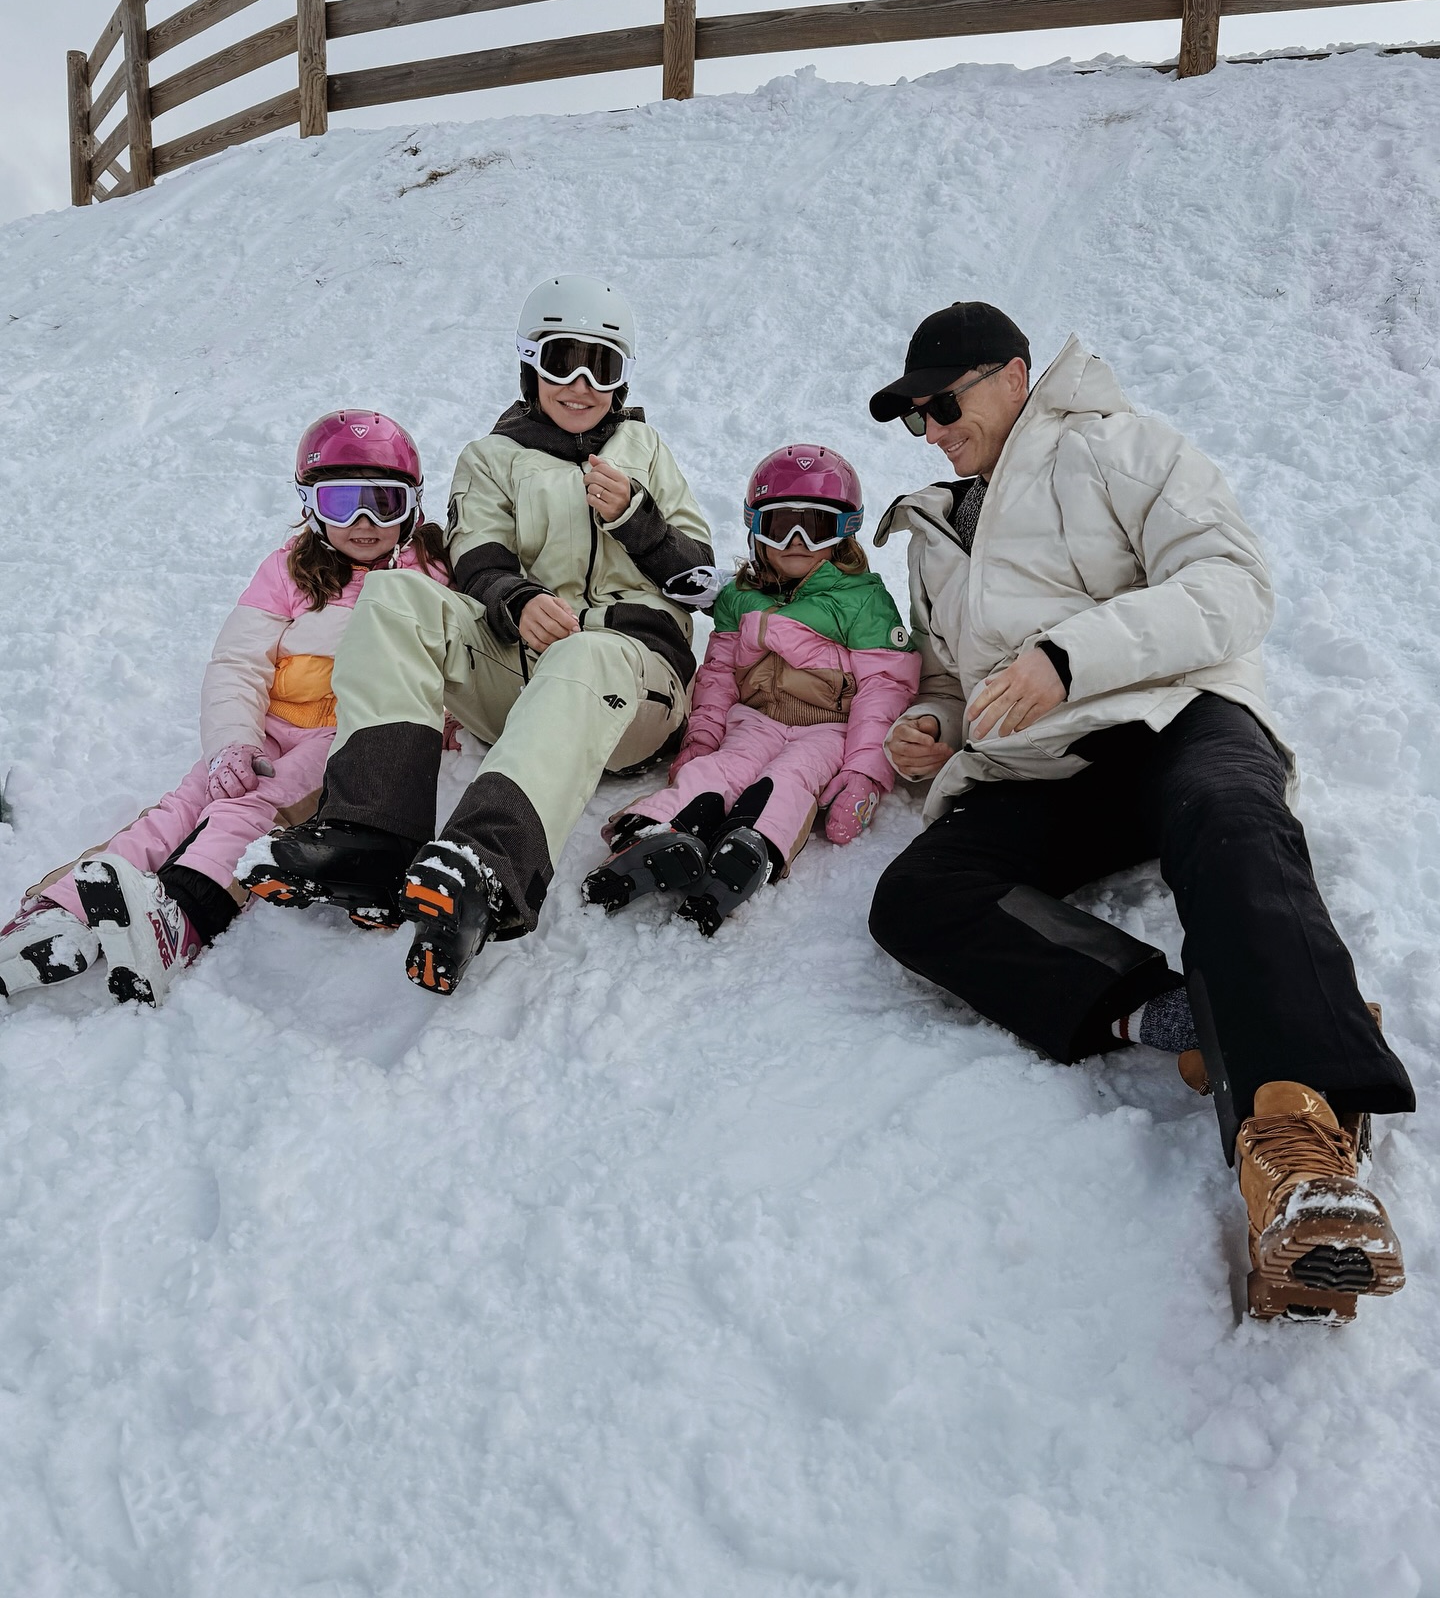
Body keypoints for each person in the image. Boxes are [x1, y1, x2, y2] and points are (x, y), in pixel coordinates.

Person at [864, 300, 1414, 1325]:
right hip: (1043, 760)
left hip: (1175, 712)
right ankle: (1186, 1009)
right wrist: (935, 727)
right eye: (914, 419)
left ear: (1014, 373)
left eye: (942, 404)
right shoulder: (937, 530)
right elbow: (946, 673)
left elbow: (1233, 584)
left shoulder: (1124, 449)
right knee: (918, 896)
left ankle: (1302, 1161)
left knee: (1229, 820)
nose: (932, 430)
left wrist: (1069, 658)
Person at [243, 275, 713, 996]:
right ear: (531, 365)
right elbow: (477, 556)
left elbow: (701, 577)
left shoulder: (643, 449)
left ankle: (487, 865)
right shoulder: (492, 457)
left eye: (603, 365)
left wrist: (636, 518)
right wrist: (515, 599)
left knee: (587, 651)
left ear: (622, 378)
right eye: (563, 361)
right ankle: (371, 835)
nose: (581, 383)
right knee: (401, 593)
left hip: (636, 690)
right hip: (526, 678)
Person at [0, 411, 449, 1007]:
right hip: (267, 723)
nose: (364, 523)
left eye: (383, 503)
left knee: (253, 807)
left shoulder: (431, 573)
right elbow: (238, 663)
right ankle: (60, 915)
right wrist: (233, 741)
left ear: (412, 506)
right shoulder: (290, 569)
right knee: (185, 804)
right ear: (311, 506)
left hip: (347, 735)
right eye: (342, 503)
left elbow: (457, 654)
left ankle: (180, 918)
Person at [583, 445, 920, 933]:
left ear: (845, 531)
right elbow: (717, 676)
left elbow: (884, 688)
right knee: (719, 770)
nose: (797, 541)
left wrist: (864, 772)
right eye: (780, 526)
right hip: (754, 720)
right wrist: (701, 739)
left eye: (817, 526)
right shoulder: (740, 598)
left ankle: (747, 848)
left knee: (789, 780)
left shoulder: (864, 600)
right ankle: (650, 836)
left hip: (828, 731)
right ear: (755, 527)